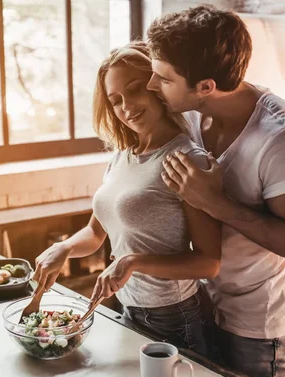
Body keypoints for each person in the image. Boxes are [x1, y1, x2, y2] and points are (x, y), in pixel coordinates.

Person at [146, 5, 285, 377]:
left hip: (260, 328)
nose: (151, 85)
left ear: (206, 86)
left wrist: (215, 203)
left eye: (163, 78)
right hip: (203, 305)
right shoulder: (192, 115)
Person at [33, 41, 221, 356]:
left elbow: (209, 262)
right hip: (131, 306)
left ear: (158, 86)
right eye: (115, 100)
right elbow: (96, 233)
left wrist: (132, 262)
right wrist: (64, 247)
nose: (127, 107)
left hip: (175, 316)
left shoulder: (184, 158)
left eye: (134, 90)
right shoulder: (121, 156)